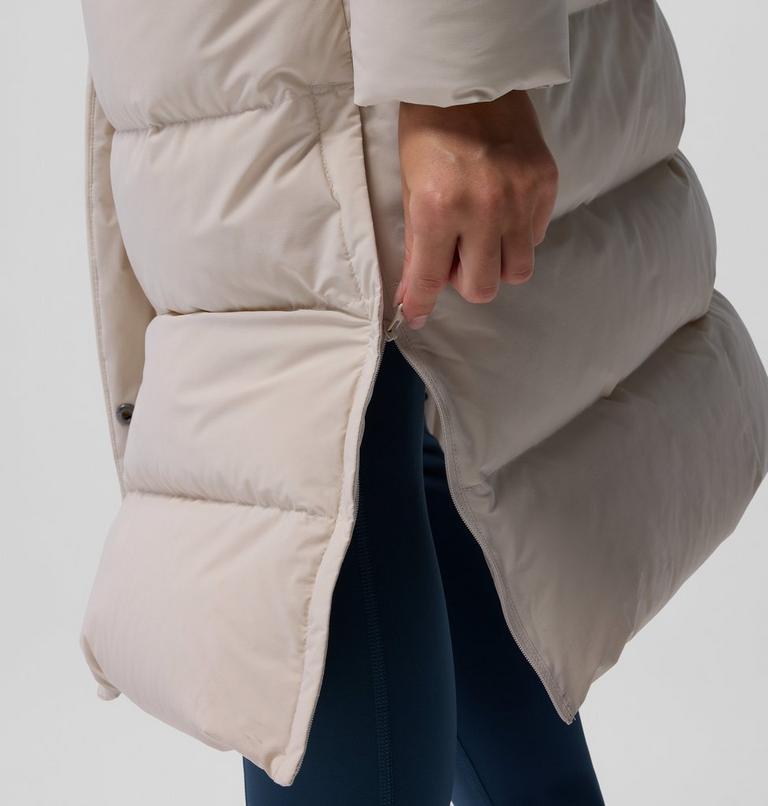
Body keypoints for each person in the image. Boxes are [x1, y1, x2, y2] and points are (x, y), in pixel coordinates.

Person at [78, 1, 768, 804]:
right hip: (244, 63)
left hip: (344, 65)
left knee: (324, 474)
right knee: (408, 463)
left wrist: (460, 83)